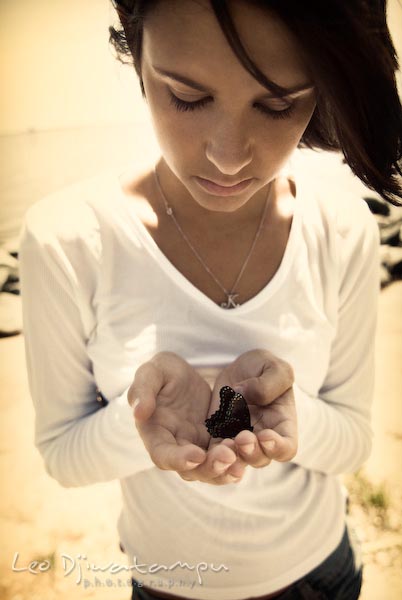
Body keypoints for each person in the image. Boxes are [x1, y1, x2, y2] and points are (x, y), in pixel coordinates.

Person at [19, 1, 402, 599]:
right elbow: (64, 457)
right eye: (188, 98)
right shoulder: (67, 238)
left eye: (277, 104)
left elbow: (352, 442)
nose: (228, 155)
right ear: (138, 62)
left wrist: (294, 413)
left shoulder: (341, 226)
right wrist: (142, 420)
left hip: (320, 577)